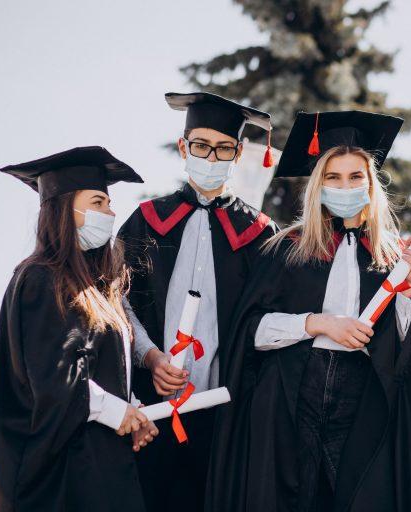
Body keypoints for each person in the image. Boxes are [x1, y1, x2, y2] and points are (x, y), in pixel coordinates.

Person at [206, 111, 411, 511]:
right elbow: (251, 330)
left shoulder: (394, 257)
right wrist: (316, 324)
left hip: (363, 396)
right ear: (318, 184)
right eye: (333, 177)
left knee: (355, 497)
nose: (344, 186)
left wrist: (409, 288)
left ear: (371, 185)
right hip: (292, 392)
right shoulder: (288, 248)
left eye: (355, 177)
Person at [117, 92, 279, 511]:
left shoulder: (261, 234)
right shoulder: (145, 220)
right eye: (201, 145)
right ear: (183, 146)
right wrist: (150, 357)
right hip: (149, 408)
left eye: (224, 148)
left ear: (239, 152)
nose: (211, 156)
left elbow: (265, 319)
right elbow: (116, 302)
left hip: (225, 413)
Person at [0, 147, 157, 512]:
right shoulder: (39, 279)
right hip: (59, 477)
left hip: (101, 467)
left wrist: (133, 410)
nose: (110, 213)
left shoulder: (96, 291)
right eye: (98, 202)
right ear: (65, 209)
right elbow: (54, 378)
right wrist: (118, 412)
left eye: (109, 204)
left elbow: (100, 372)